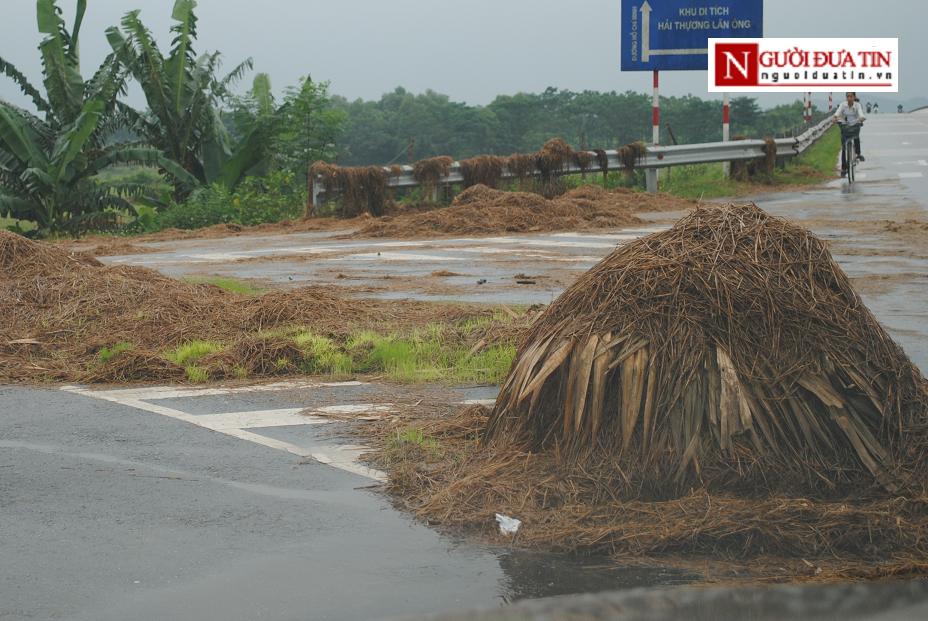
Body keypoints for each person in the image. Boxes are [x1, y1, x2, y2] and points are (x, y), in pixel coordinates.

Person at [833, 91, 866, 176]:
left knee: (856, 136)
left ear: (854, 97)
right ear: (846, 98)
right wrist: (835, 117)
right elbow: (837, 112)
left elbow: (861, 114)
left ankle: (858, 154)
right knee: (844, 148)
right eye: (848, 96)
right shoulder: (843, 105)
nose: (849, 98)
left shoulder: (857, 105)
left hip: (855, 124)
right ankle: (844, 168)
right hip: (845, 125)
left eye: (851, 96)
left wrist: (862, 118)